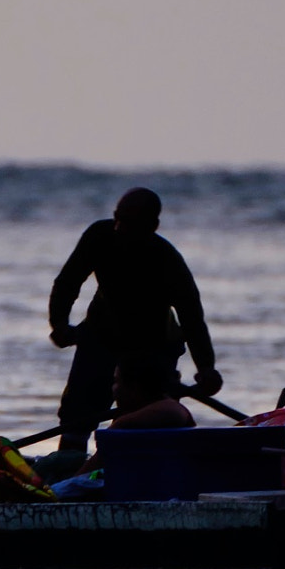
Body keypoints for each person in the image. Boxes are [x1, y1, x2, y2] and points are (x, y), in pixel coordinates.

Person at [48, 186, 222, 457]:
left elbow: (192, 318)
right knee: (77, 414)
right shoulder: (99, 236)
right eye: (117, 218)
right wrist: (58, 323)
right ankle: (69, 471)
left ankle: (147, 470)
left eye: (129, 223)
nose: (119, 228)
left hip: (154, 346)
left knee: (152, 418)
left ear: (152, 226)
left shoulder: (167, 260)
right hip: (100, 335)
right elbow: (67, 282)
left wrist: (206, 367)